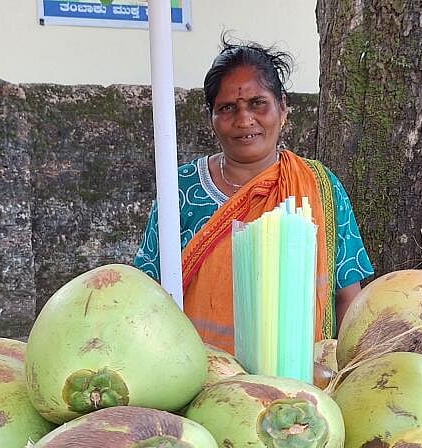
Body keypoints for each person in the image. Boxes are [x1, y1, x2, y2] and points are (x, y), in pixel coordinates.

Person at [135, 39, 375, 353]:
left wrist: (347, 370)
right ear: (212, 119)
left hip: (300, 384)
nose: (244, 119)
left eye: (257, 103)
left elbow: (347, 298)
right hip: (197, 381)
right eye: (227, 108)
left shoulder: (320, 187)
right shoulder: (180, 189)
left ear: (283, 107)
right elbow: (147, 293)